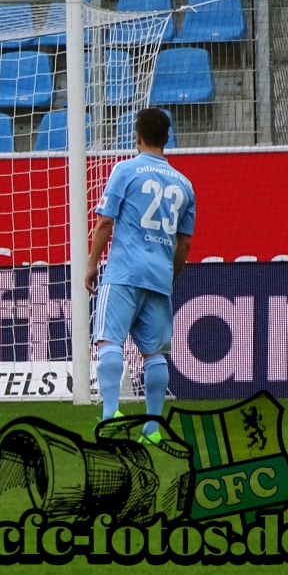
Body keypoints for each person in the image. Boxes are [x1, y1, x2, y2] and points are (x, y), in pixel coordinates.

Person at [85, 108, 196, 444]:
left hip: (124, 272)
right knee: (155, 354)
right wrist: (170, 275)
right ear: (168, 138)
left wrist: (91, 264)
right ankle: (152, 427)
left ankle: (111, 416)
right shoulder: (184, 184)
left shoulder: (126, 170)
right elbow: (185, 242)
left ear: (138, 136)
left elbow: (105, 222)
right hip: (159, 276)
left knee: (108, 340)